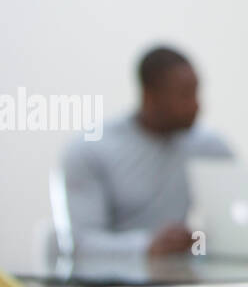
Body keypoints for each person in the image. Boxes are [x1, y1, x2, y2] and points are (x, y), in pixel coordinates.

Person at [57, 45, 234, 256]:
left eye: (196, 92)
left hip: (181, 276)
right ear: (150, 95)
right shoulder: (90, 150)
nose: (196, 105)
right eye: (184, 95)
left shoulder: (210, 149)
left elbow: (240, 217)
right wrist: (147, 246)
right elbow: (80, 245)